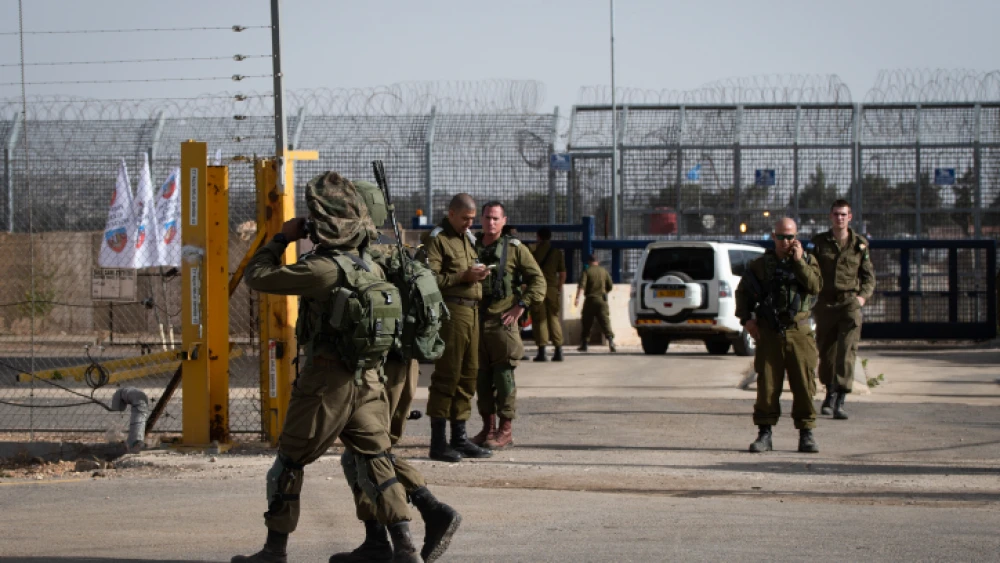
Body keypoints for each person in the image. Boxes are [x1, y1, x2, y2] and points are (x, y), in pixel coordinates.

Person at [236, 172, 419, 563]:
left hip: (326, 383)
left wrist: (283, 237)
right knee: (376, 460)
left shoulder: (322, 270)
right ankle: (405, 548)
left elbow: (257, 277)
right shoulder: (373, 266)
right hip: (369, 379)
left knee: (288, 462)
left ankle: (274, 550)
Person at [330, 180, 460, 563]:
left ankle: (428, 510)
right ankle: (381, 538)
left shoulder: (364, 258)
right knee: (367, 453)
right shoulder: (399, 253)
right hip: (407, 367)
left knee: (368, 452)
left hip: (381, 369)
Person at [736, 217, 823, 454]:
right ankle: (765, 433)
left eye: (791, 237)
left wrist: (799, 263)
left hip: (799, 331)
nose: (786, 241)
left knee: (804, 384)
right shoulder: (761, 265)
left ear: (796, 237)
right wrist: (747, 320)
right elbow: (743, 293)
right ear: (773, 237)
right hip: (769, 333)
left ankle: (806, 432)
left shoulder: (807, 261)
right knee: (767, 385)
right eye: (781, 237)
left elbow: (815, 287)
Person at [421, 193, 493, 462]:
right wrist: (463, 276)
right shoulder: (437, 240)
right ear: (451, 213)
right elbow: (428, 280)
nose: (469, 224)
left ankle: (459, 439)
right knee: (447, 375)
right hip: (452, 313)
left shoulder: (468, 239)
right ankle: (438, 442)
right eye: (465, 218)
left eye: (472, 219)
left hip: (472, 312)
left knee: (468, 375)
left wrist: (479, 274)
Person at [471, 201, 545, 449]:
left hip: (503, 321)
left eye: (495, 218)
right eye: (487, 218)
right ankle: (487, 428)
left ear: (504, 221)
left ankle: (505, 430)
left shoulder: (514, 249)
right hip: (476, 321)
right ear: (480, 219)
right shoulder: (470, 245)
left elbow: (538, 281)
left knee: (503, 377)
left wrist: (520, 306)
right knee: (481, 379)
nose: (490, 223)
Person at [811, 199, 875, 420]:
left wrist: (861, 298)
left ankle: (840, 398)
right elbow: (810, 272)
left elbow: (868, 277)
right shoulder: (819, 243)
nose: (840, 218)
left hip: (849, 304)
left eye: (843, 214)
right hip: (826, 304)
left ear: (850, 217)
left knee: (846, 352)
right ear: (830, 216)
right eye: (836, 214)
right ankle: (829, 393)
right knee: (826, 353)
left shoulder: (859, 245)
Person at [530, 227, 566, 362]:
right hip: (552, 289)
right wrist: (558, 288)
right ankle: (558, 351)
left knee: (540, 319)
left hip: (537, 288)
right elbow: (562, 274)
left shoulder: (533, 250)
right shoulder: (556, 252)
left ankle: (542, 352)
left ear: (538, 236)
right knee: (554, 318)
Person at [574, 254, 616, 353]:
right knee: (605, 322)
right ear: (598, 261)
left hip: (590, 300)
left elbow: (581, 285)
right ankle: (611, 342)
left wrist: (577, 298)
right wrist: (604, 292)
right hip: (602, 300)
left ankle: (584, 344)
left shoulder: (587, 271)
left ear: (589, 262)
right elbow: (610, 285)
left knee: (586, 322)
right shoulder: (604, 271)